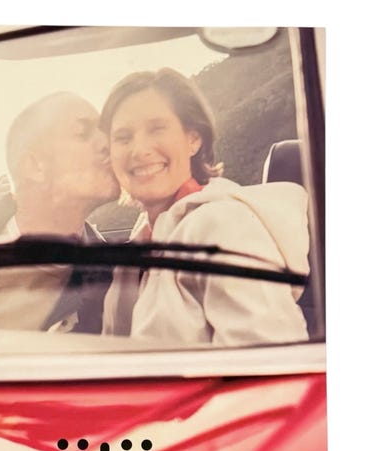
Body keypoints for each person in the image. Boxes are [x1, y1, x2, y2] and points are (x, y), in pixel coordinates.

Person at [99, 68, 309, 346]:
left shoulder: (224, 227)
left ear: (193, 139)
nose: (139, 149)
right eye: (123, 137)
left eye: (157, 129)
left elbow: (273, 361)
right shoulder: (144, 240)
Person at [0, 92, 121, 333]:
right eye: (82, 133)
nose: (108, 144)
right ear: (35, 166)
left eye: (106, 133)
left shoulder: (111, 277)